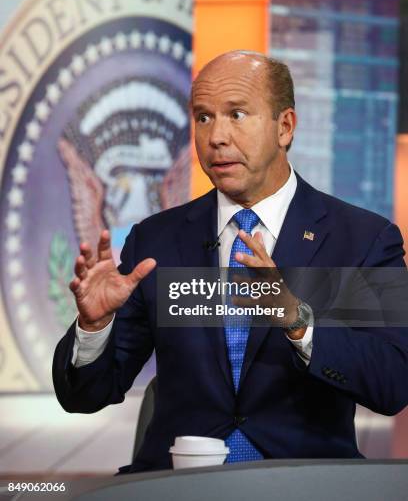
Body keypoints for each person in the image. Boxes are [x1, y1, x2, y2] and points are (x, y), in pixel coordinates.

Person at [53, 51, 408, 473]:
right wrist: (94, 329)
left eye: (237, 114)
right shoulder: (156, 241)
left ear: (285, 126)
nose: (216, 136)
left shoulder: (361, 239)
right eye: (203, 117)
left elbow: (392, 384)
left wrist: (297, 320)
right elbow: (86, 396)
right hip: (179, 485)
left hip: (306, 483)